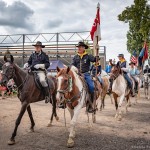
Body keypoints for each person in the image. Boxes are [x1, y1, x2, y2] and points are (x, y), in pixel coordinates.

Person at [71, 41, 99, 112]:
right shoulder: (75, 57)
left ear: (84, 48)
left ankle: (90, 105)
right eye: (78, 47)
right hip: (77, 75)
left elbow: (94, 60)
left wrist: (96, 57)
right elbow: (72, 65)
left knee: (92, 87)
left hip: (86, 74)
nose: (79, 48)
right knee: (67, 84)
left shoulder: (88, 56)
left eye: (80, 47)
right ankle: (65, 102)